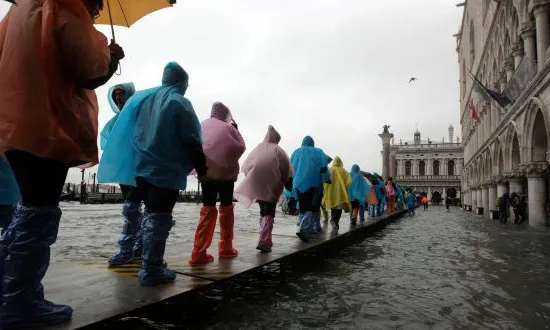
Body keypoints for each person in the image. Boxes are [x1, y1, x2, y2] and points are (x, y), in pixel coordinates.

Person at [0, 0, 124, 327]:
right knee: (39, 214)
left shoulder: (18, 11)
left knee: (26, 211)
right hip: (49, 125)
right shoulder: (67, 9)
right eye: (96, 4)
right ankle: (20, 303)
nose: (96, 9)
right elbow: (90, 71)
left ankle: (7, 291)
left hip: (13, 124)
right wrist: (111, 57)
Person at [99, 62, 206, 286]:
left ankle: (135, 254)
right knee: (159, 218)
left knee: (148, 216)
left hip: (141, 169)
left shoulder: (143, 99)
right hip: (165, 171)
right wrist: (201, 167)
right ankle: (152, 269)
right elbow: (191, 138)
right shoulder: (179, 102)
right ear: (182, 82)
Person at [189, 102, 246, 265]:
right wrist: (236, 130)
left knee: (207, 209)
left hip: (206, 173)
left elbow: (196, 144)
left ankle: (198, 253)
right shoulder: (229, 128)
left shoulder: (202, 124)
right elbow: (240, 147)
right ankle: (226, 249)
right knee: (227, 209)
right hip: (226, 175)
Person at [100, 83, 144, 266]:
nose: (118, 97)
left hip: (140, 169)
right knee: (132, 207)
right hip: (123, 171)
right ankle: (140, 245)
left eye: (122, 93)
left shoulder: (138, 116)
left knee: (132, 207)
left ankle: (127, 250)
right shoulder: (114, 121)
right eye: (116, 94)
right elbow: (106, 143)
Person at [234, 126, 292, 252]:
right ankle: (264, 241)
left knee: (263, 211)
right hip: (272, 185)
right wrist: (288, 186)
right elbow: (286, 170)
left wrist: (252, 177)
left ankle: (265, 237)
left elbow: (246, 166)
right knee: (269, 211)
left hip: (256, 184)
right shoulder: (279, 150)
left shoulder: (257, 149)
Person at [291, 136, 331, 241]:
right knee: (311, 207)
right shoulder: (319, 152)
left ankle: (304, 229)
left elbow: (291, 168)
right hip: (314, 183)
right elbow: (324, 167)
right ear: (312, 143)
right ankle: (305, 229)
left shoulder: (296, 152)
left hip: (298, 184)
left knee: (303, 207)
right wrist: (327, 178)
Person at [322, 156, 352, 230]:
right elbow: (349, 182)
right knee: (339, 209)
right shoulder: (344, 171)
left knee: (333, 208)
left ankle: (334, 221)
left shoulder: (329, 170)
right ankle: (335, 221)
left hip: (330, 193)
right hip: (340, 194)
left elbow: (324, 180)